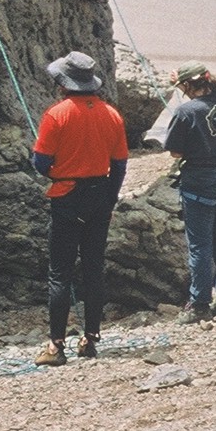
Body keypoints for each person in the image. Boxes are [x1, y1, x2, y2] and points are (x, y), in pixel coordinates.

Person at [29, 51, 128, 365]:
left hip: (67, 196)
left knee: (60, 273)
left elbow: (41, 162)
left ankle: (56, 346)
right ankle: (91, 339)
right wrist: (110, 199)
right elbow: (120, 164)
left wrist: (60, 173)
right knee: (93, 268)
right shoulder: (112, 115)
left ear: (63, 84)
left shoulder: (56, 115)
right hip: (100, 195)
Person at [165, 61, 216, 321]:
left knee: (199, 245)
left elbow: (175, 150)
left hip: (200, 179)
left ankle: (199, 305)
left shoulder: (186, 111)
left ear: (188, 85)